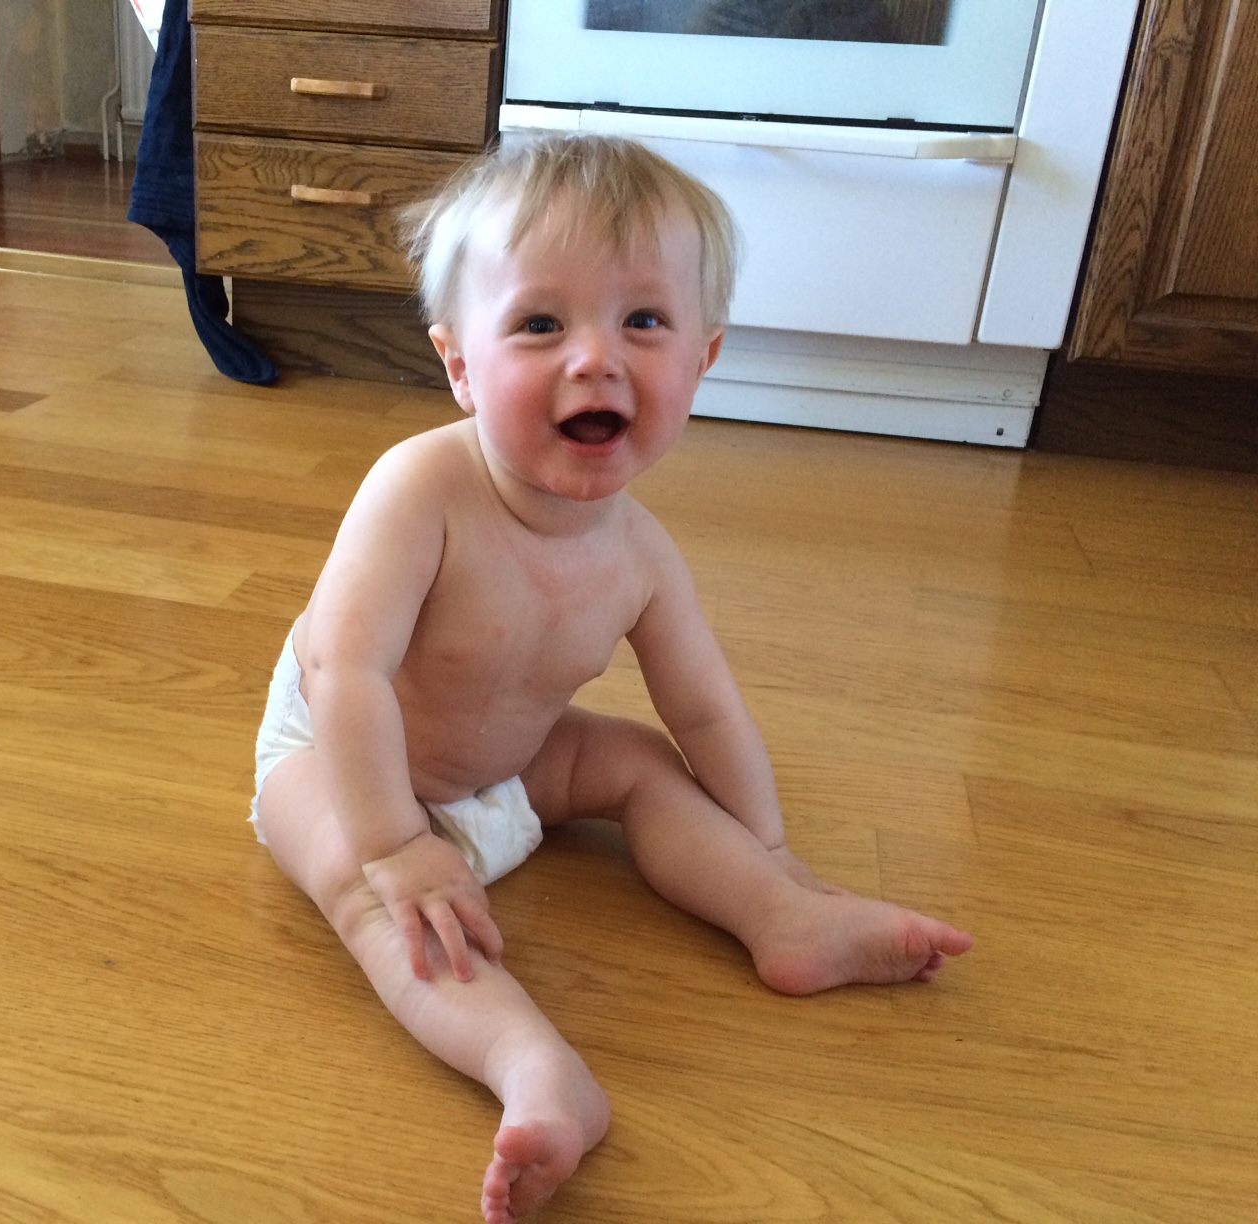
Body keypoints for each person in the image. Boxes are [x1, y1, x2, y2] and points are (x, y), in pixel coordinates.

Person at [249, 133, 973, 1223]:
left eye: (643, 321)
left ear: (703, 359)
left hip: (509, 765)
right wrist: (397, 842)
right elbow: (342, 667)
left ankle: (780, 919)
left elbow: (704, 711)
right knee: (367, 893)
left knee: (636, 759)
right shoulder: (418, 490)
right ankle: (535, 1068)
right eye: (541, 324)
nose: (596, 359)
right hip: (345, 759)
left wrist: (768, 849)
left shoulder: (642, 557)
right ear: (459, 365)